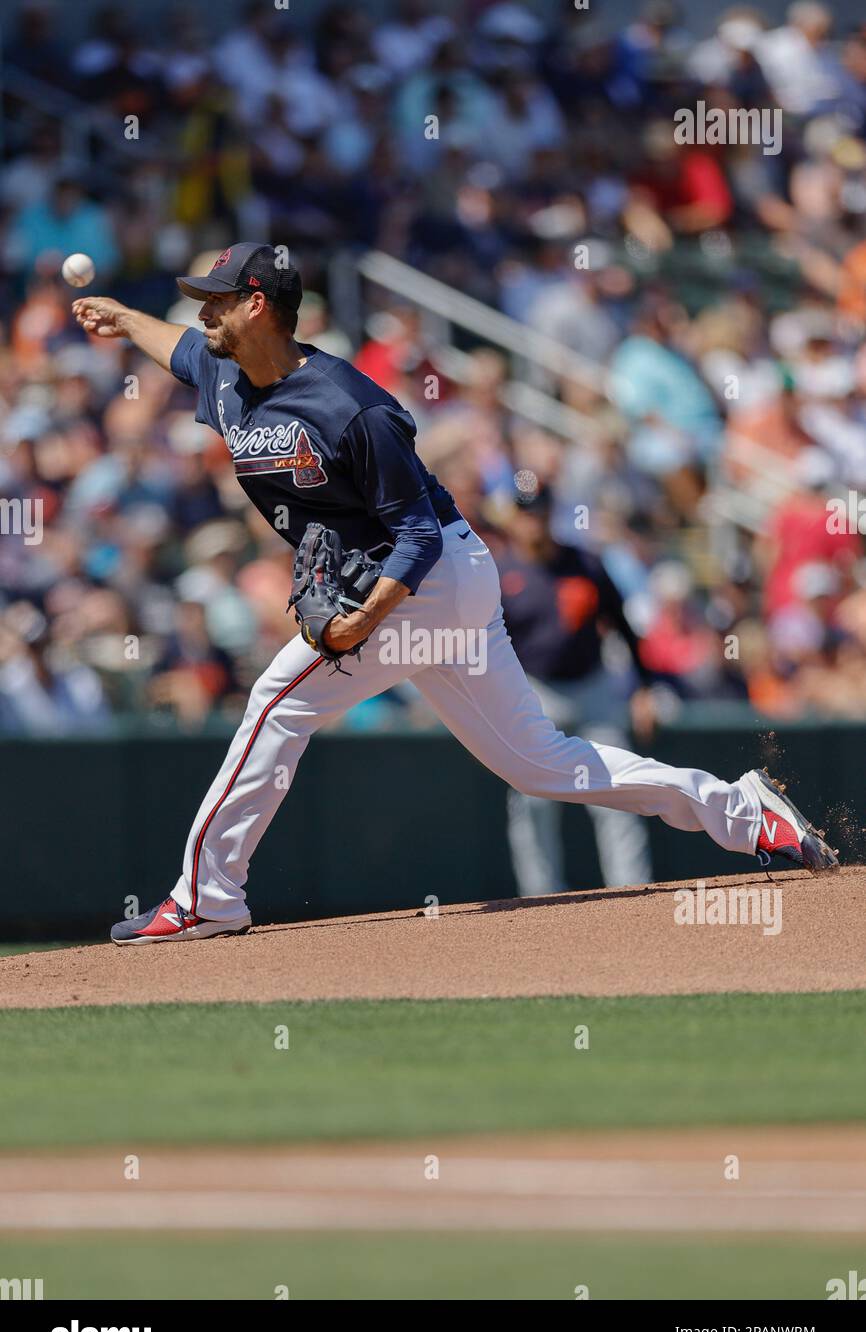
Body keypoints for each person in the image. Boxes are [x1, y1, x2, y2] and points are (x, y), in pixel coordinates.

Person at [71, 243, 838, 945]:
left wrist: (363, 621)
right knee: (538, 764)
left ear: (257, 306)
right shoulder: (222, 370)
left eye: (215, 298)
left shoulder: (351, 405)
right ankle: (745, 812)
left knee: (276, 703)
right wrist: (119, 317)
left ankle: (209, 895)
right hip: (436, 584)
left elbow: (418, 535)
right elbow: (170, 347)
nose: (201, 313)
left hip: (423, 578)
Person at [496, 483, 652, 894]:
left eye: (540, 510)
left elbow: (625, 626)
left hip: (594, 686)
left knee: (617, 791)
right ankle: (541, 895)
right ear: (513, 515)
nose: (534, 520)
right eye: (526, 511)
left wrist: (642, 689)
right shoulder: (499, 571)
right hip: (536, 691)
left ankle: (631, 891)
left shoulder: (586, 563)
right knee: (532, 799)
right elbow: (486, 647)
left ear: (551, 513)